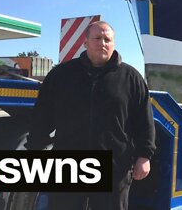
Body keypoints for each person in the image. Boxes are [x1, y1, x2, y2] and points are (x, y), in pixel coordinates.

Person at [25, 21, 156, 210]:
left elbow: (144, 120)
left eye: (107, 39)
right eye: (97, 38)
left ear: (113, 43)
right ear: (85, 42)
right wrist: (34, 151)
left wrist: (144, 156)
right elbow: (42, 117)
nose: (102, 43)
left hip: (114, 167)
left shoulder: (131, 78)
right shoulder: (61, 75)